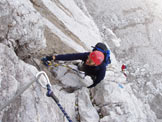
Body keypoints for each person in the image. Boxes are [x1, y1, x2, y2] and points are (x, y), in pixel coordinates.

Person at [42, 43, 111, 88]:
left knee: (85, 75)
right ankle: (80, 66)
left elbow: (98, 81)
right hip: (87, 68)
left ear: (96, 64)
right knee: (80, 67)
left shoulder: (102, 69)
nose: (87, 60)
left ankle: (85, 71)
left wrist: (90, 87)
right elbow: (71, 56)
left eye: (90, 61)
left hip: (93, 73)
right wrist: (54, 57)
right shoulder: (87, 55)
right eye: (88, 58)